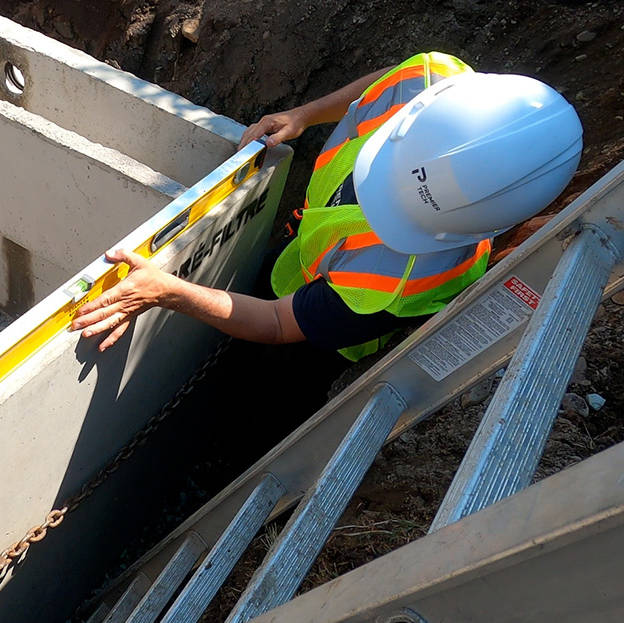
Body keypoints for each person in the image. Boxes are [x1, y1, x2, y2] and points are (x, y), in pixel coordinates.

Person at [71, 52, 583, 361]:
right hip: (303, 258)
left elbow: (275, 324)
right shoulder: (432, 79)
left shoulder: (394, 287)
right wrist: (305, 114)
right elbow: (388, 80)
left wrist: (168, 292)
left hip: (322, 335)